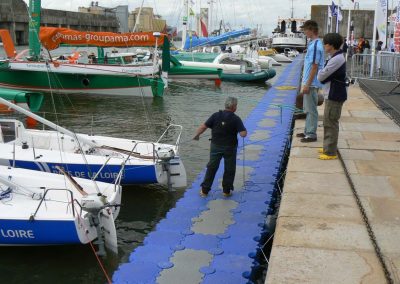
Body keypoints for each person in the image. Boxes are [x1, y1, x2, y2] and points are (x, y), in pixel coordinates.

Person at [193, 97, 247, 197]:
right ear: (234, 107)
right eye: (236, 105)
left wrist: (197, 135)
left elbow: (203, 127)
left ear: (226, 105)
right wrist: (243, 130)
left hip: (215, 147)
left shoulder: (215, 115)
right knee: (229, 169)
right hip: (229, 148)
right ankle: (226, 191)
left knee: (212, 167)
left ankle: (204, 191)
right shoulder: (236, 118)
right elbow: (243, 134)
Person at [317, 33, 347, 160]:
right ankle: (327, 146)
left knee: (331, 122)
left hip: (334, 94)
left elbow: (321, 76)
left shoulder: (336, 59)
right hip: (332, 93)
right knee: (328, 121)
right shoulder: (335, 57)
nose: (324, 46)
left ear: (331, 45)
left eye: (325, 44)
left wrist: (321, 72)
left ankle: (330, 152)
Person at [296, 20, 325, 142]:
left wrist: (307, 84)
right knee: (308, 108)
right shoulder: (314, 44)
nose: (304, 32)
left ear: (311, 30)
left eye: (305, 30)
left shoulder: (315, 46)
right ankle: (307, 130)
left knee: (311, 109)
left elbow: (314, 66)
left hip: (311, 83)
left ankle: (311, 134)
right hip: (310, 82)